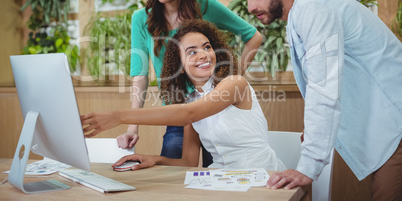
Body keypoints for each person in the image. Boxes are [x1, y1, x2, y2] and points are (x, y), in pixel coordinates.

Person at [233, 0, 402, 200]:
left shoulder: (313, 10)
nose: (250, 7)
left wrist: (308, 167)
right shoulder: (305, 10)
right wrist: (314, 135)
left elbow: (324, 88)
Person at [117, 0, 262, 166]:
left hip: (215, 110)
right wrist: (132, 126)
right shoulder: (141, 19)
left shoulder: (205, 6)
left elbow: (253, 36)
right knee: (174, 179)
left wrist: (231, 79)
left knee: (220, 173)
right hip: (178, 113)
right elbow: (140, 75)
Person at [82, 19, 286, 172]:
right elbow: (188, 162)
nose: (204, 54)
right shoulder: (191, 100)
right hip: (222, 179)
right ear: (179, 66)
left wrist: (119, 116)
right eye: (191, 52)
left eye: (207, 47)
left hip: (262, 177)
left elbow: (188, 114)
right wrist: (154, 159)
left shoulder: (234, 83)